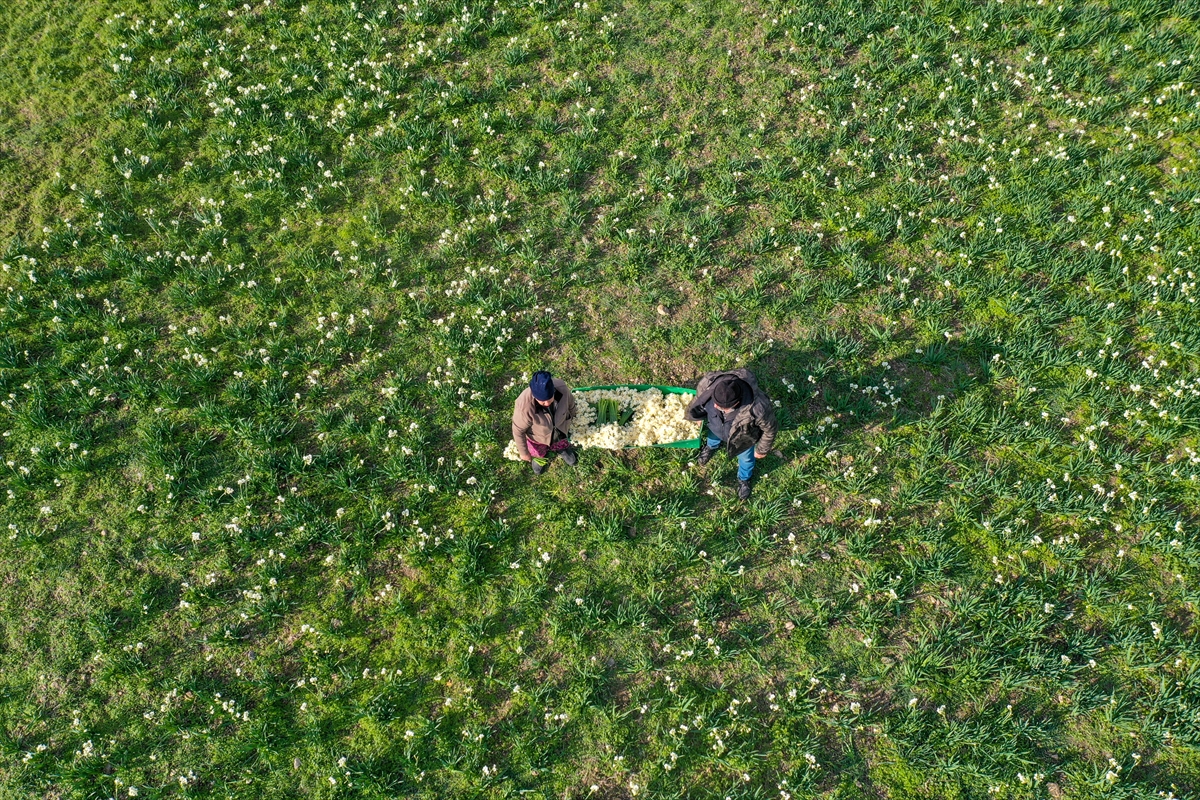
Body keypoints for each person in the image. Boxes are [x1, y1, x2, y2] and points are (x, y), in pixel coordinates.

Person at [685, 368, 778, 500]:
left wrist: (762, 449)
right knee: (712, 436)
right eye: (715, 403)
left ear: (736, 403)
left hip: (743, 439)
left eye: (721, 407)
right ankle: (711, 446)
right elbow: (698, 399)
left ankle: (744, 479)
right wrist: (696, 416)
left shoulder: (758, 408)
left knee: (746, 459)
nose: (716, 407)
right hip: (716, 426)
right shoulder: (708, 383)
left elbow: (770, 429)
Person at [511, 370, 578, 475]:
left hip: (560, 428)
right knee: (539, 450)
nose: (546, 403)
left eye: (549, 399)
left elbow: (570, 402)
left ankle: (562, 449)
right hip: (538, 437)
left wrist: (574, 414)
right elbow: (518, 430)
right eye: (542, 401)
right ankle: (539, 459)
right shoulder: (524, 406)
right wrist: (524, 452)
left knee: (560, 440)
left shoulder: (561, 388)